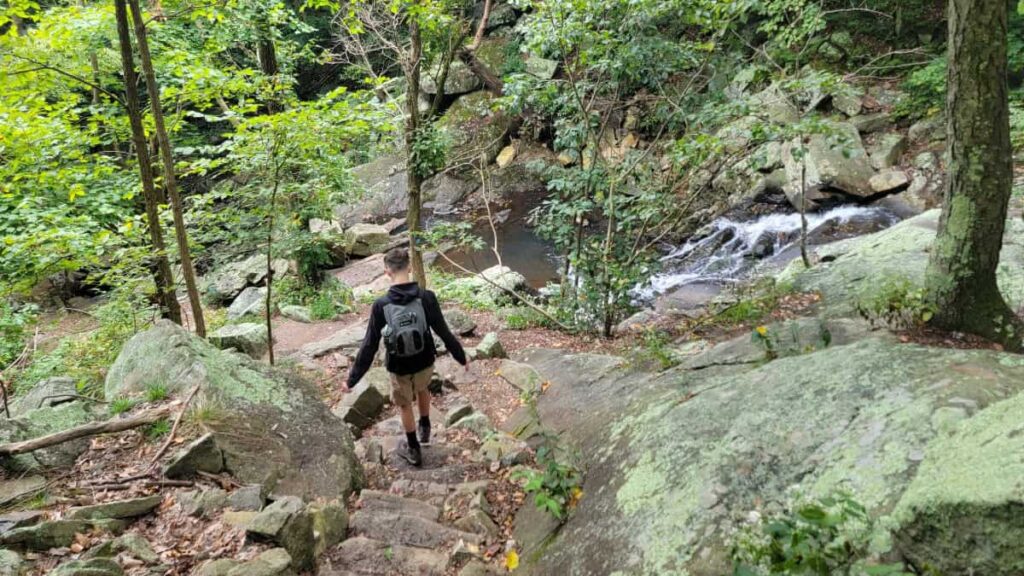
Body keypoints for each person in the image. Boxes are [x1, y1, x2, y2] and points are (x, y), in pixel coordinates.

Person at [344, 247, 468, 466]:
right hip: (425, 361)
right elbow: (443, 331)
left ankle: (414, 448)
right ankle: (426, 426)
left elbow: (369, 345)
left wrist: (352, 379)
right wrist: (461, 357)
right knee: (422, 388)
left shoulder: (381, 305)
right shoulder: (426, 297)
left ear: (387, 272)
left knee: (404, 405)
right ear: (409, 267)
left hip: (398, 366)